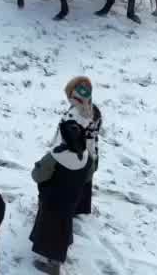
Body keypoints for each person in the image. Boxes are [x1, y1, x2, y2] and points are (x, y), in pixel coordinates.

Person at [29, 120, 91, 275]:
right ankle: (63, 243)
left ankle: (53, 265)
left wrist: (40, 165)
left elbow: (37, 176)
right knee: (64, 224)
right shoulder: (87, 157)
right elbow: (88, 177)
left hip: (52, 200)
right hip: (72, 200)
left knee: (50, 229)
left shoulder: (56, 158)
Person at [63, 76, 103, 216]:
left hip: (79, 156)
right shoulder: (87, 109)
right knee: (83, 185)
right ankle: (80, 210)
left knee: (75, 187)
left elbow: (77, 138)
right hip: (88, 155)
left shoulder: (82, 112)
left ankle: (74, 212)